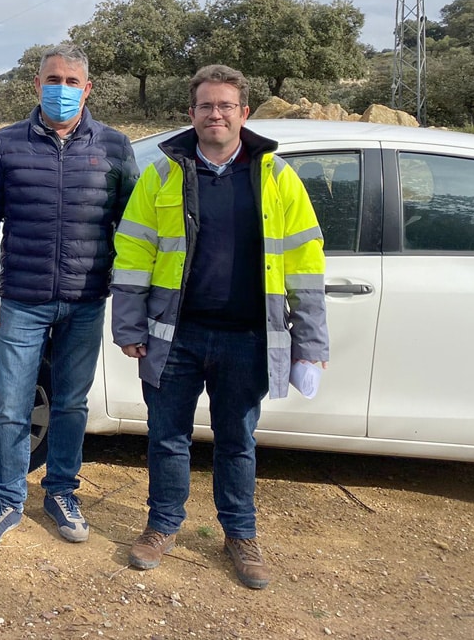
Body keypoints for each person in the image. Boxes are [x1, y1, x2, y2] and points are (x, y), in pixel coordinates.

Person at [111, 64, 330, 589]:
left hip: (247, 337)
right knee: (167, 437)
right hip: (175, 334)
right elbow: (134, 249)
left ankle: (241, 536)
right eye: (206, 105)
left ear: (243, 113)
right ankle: (162, 525)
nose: (216, 114)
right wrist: (128, 324)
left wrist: (311, 342)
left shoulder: (276, 176)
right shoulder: (163, 174)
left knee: (238, 441)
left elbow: (306, 261)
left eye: (226, 105)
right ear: (191, 114)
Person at [0, 44, 138, 548]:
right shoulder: (6, 143)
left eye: (70, 81)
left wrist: (128, 295)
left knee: (70, 405)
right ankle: (6, 499)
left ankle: (61, 491)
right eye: (51, 79)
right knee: (13, 406)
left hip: (86, 298)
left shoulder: (114, 146)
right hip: (21, 297)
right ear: (37, 84)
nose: (60, 89)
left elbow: (131, 227)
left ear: (87, 89)